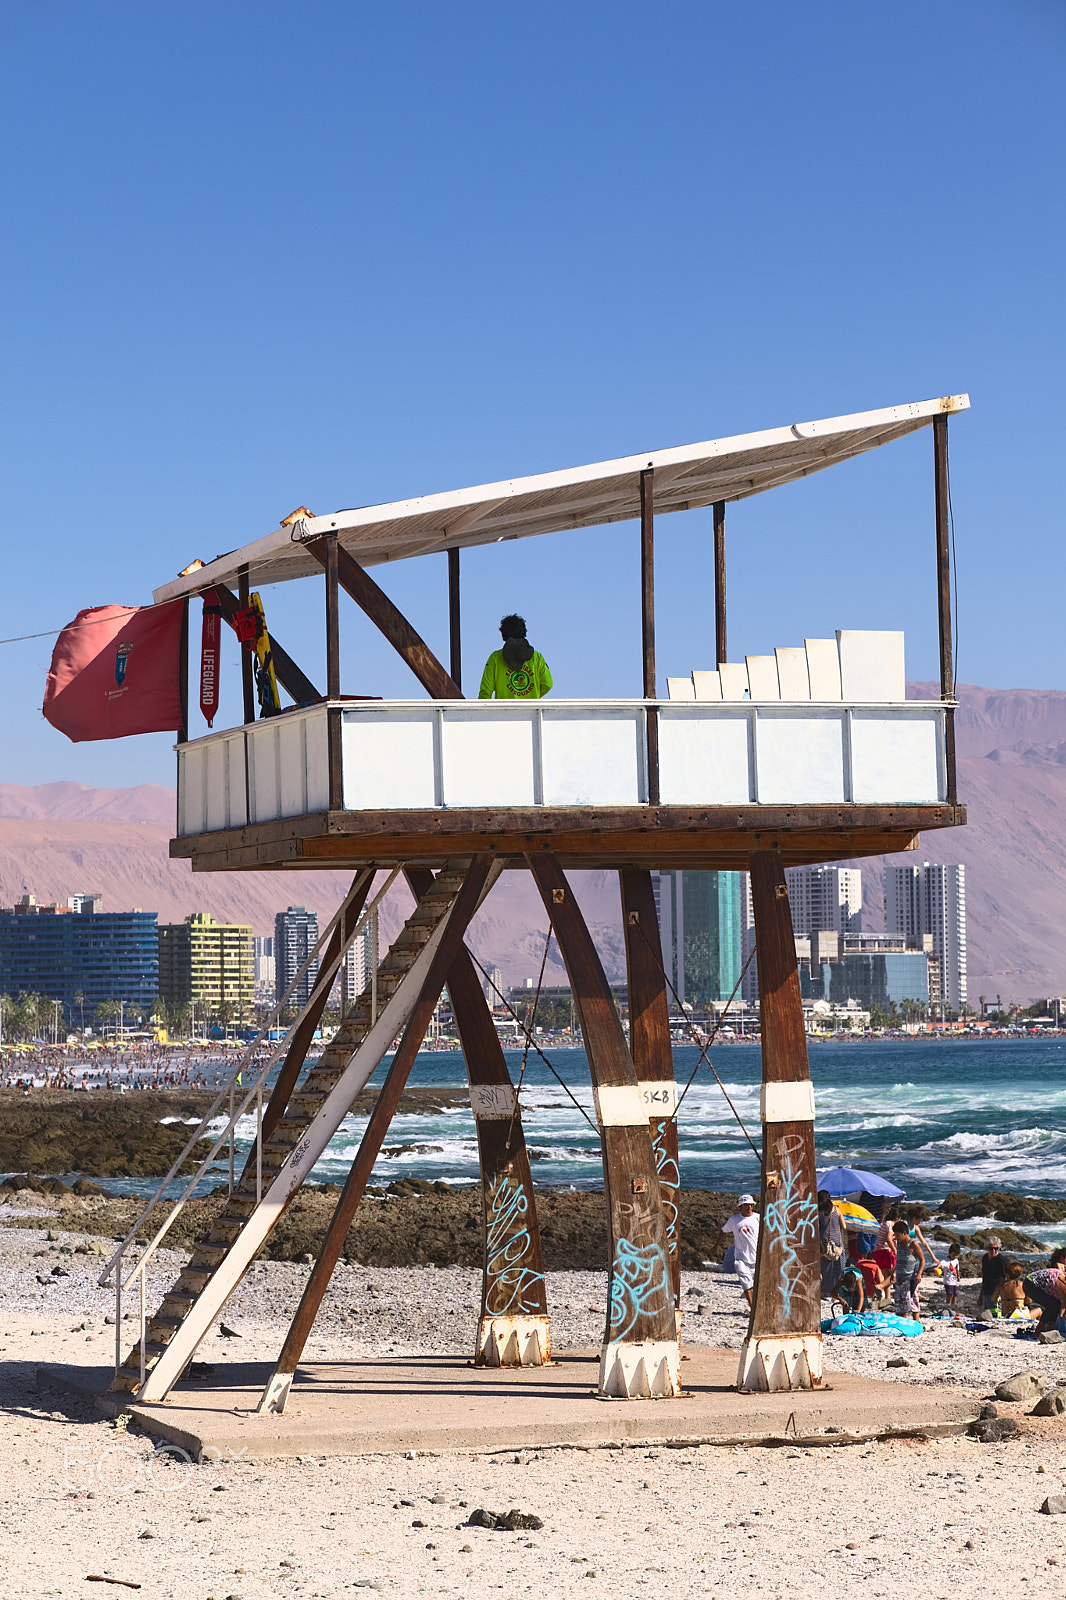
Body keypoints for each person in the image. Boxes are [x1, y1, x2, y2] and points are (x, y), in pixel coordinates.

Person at [478, 614, 553, 700]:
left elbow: (485, 692)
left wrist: (482, 712)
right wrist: (531, 697)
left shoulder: (495, 658)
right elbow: (547, 684)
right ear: (524, 632)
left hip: (504, 712)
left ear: (503, 634)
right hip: (531, 712)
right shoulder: (537, 657)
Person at [714, 1193, 760, 1308]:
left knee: (757, 1286)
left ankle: (758, 1308)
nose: (749, 1207)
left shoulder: (759, 1218)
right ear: (740, 1206)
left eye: (750, 1205)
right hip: (741, 1258)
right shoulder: (734, 1220)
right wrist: (715, 1246)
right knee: (746, 1285)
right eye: (746, 1205)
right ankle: (753, 1308)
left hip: (758, 1259)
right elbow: (723, 1231)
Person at [1022, 1248, 1066, 1334]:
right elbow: (1064, 1307)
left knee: (1054, 1304)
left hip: (1032, 1283)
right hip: (1030, 1283)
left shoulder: (1061, 1273)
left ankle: (1049, 1330)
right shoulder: (1063, 1282)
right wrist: (1061, 1319)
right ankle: (1042, 1331)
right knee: (1054, 1304)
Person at [893, 1219, 925, 1317]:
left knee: (912, 1302)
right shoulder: (898, 1244)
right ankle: (902, 1323)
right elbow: (898, 1261)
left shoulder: (913, 1244)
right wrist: (893, 1273)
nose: (896, 1238)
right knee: (899, 1303)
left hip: (909, 1278)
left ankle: (916, 1322)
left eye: (897, 1235)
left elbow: (922, 1260)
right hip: (899, 1278)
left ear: (905, 1233)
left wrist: (919, 1273)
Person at [818, 1191, 847, 1300]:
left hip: (825, 1242)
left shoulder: (819, 1211)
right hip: (837, 1244)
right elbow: (843, 1226)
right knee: (837, 1268)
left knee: (824, 1267)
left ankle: (824, 1292)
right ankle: (836, 1292)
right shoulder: (837, 1209)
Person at [981, 1236, 1009, 1312]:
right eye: (991, 1248)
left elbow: (1008, 1277)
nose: (993, 1250)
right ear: (987, 1248)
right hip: (986, 1292)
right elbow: (984, 1276)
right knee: (986, 1314)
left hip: (997, 1293)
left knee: (996, 1314)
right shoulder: (985, 1258)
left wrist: (1002, 1294)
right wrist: (981, 1295)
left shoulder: (1001, 1260)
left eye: (996, 1248)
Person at [941, 1242, 961, 1309]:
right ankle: (948, 1306)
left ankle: (954, 1306)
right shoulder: (945, 1260)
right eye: (953, 1255)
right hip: (948, 1281)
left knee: (955, 1294)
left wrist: (958, 1276)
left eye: (956, 1255)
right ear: (950, 1252)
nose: (955, 1257)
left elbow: (957, 1268)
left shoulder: (956, 1260)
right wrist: (937, 1267)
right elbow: (940, 1264)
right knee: (950, 1294)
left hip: (954, 1281)